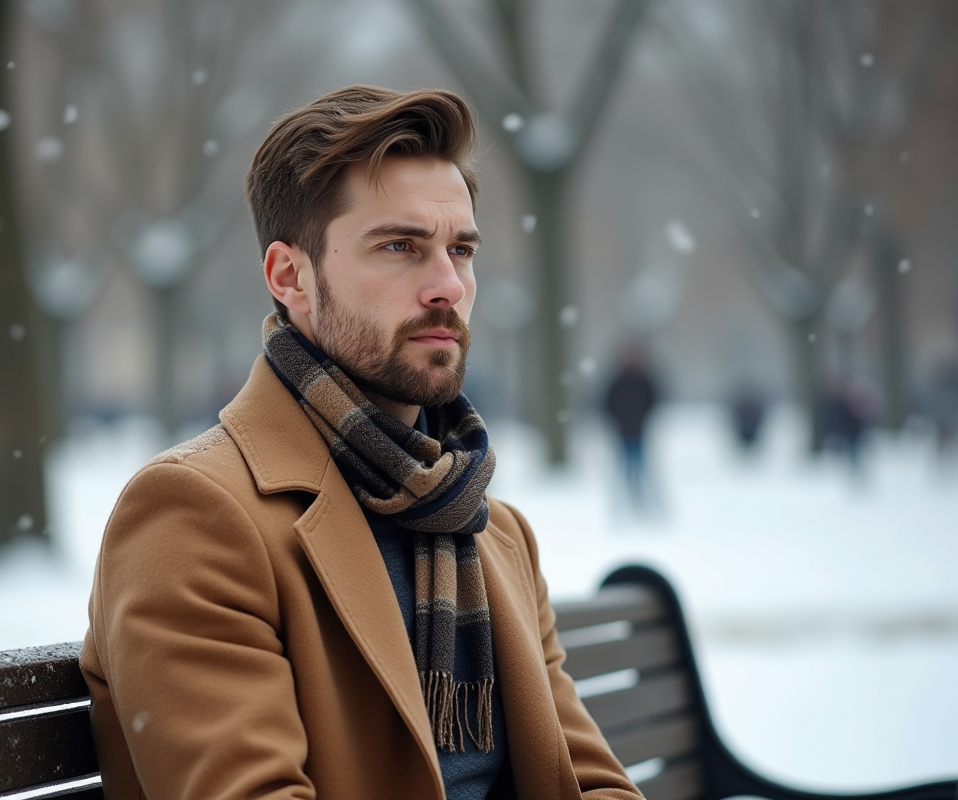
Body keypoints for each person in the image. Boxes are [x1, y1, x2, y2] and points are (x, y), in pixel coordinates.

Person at [81, 86, 643, 800]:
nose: (448, 286)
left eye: (461, 250)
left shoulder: (493, 531)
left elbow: (591, 784)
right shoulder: (195, 517)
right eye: (400, 247)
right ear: (292, 277)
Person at [601, 345, 661, 511]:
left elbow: (653, 400)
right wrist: (617, 422)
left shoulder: (643, 380)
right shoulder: (618, 382)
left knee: (643, 468)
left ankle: (646, 502)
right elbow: (607, 404)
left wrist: (644, 418)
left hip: (640, 432)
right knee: (624, 469)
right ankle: (626, 503)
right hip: (623, 433)